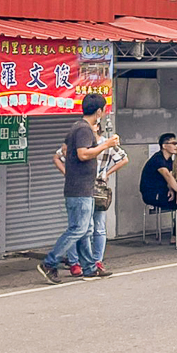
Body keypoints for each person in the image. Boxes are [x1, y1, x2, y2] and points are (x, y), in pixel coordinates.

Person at [37, 93, 119, 284]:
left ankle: (90, 268)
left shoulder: (76, 127)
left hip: (80, 186)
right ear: (99, 111)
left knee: (85, 228)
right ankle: (49, 262)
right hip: (80, 188)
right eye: (103, 110)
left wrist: (71, 168)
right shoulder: (84, 129)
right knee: (78, 228)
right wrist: (106, 144)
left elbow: (65, 150)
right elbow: (82, 154)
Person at [53, 128, 128, 275]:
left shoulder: (105, 143)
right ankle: (74, 262)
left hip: (98, 187)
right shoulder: (76, 144)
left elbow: (124, 159)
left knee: (97, 226)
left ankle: (96, 261)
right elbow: (57, 157)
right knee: (77, 227)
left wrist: (107, 173)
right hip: (79, 186)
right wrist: (67, 174)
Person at [140, 133, 177, 212]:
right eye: (173, 143)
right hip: (152, 193)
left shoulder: (169, 160)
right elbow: (167, 175)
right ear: (164, 146)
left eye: (176, 144)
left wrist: (171, 188)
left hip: (161, 190)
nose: (176, 146)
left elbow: (170, 178)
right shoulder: (158, 159)